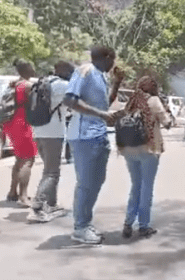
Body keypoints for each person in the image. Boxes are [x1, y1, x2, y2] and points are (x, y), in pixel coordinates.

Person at [63, 46, 124, 245]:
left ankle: (84, 223)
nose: (114, 63)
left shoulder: (101, 76)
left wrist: (117, 83)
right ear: (106, 57)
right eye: (113, 58)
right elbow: (70, 100)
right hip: (83, 135)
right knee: (86, 183)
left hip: (99, 135)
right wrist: (101, 115)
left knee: (96, 181)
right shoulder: (85, 70)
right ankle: (80, 228)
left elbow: (104, 105)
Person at [119, 76, 171, 239]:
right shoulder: (154, 101)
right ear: (153, 87)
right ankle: (143, 226)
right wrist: (166, 110)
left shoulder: (132, 101)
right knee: (146, 189)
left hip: (129, 149)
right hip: (148, 149)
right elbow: (167, 123)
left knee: (135, 187)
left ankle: (128, 224)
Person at [27, 61, 75, 223]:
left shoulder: (42, 82)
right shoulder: (64, 85)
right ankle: (38, 206)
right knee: (52, 172)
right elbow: (75, 106)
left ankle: (52, 204)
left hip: (38, 131)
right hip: (53, 132)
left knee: (50, 170)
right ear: (65, 71)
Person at [3, 59, 38, 207]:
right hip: (21, 122)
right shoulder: (28, 86)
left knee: (19, 158)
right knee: (28, 159)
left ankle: (12, 192)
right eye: (32, 68)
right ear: (27, 69)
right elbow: (36, 105)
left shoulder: (13, 84)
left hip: (9, 122)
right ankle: (23, 196)